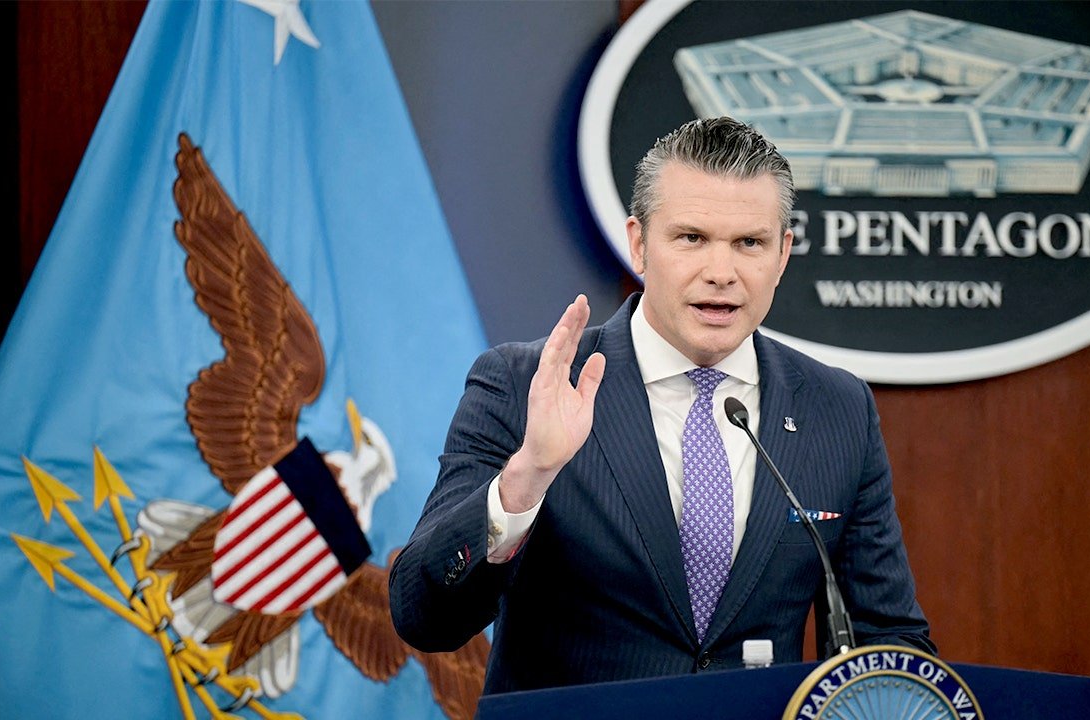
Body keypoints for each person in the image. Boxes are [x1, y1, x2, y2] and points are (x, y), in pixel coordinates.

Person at [389, 117, 933, 694]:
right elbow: (423, 617)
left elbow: (889, 641)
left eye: (749, 243)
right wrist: (527, 477)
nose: (721, 274)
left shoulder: (837, 408)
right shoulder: (525, 385)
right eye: (691, 238)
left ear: (782, 253)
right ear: (639, 244)